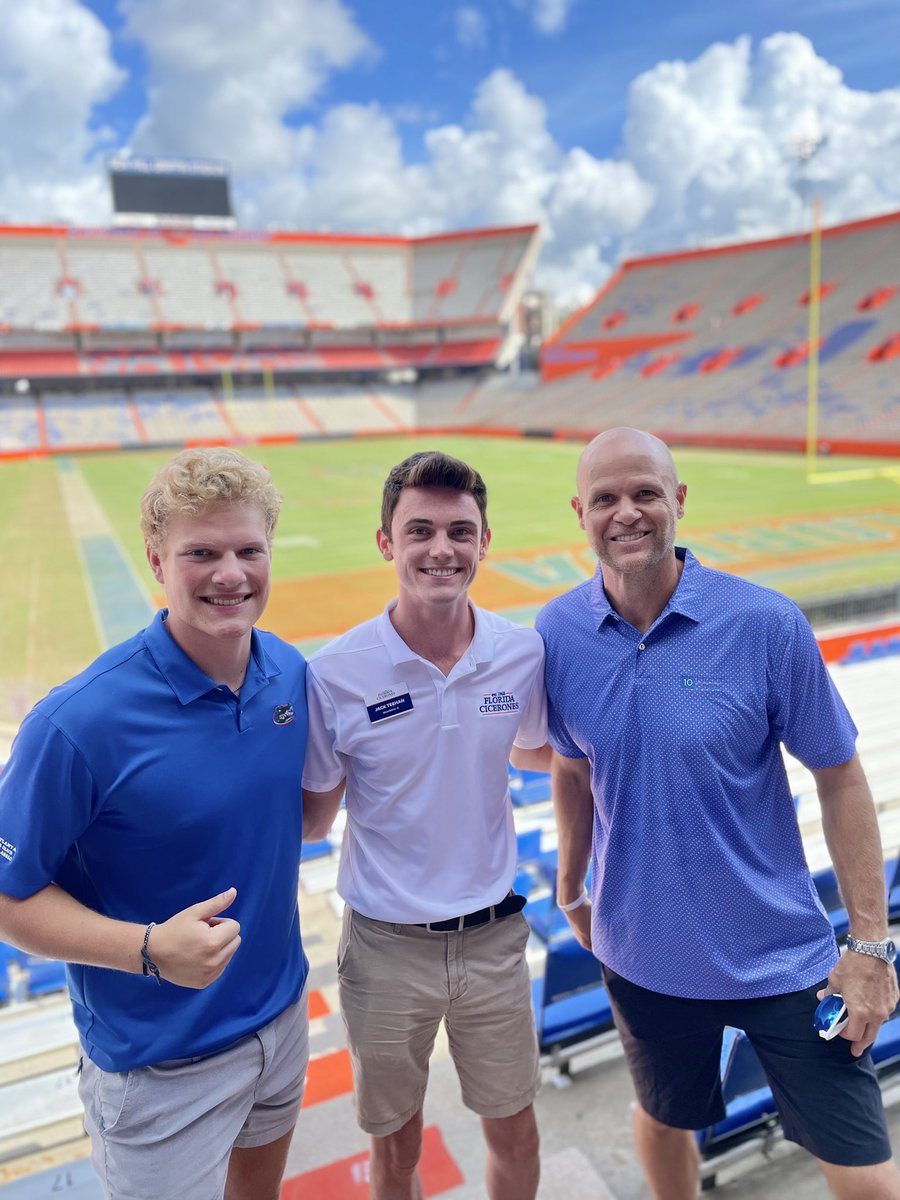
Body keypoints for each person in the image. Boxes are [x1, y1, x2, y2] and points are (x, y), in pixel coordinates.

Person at [536, 427, 900, 1200]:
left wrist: (869, 943)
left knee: (866, 1173)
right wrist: (572, 886)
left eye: (645, 493)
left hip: (784, 959)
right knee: (664, 1117)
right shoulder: (558, 632)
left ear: (678, 500)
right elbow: (570, 765)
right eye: (606, 498)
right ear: (580, 511)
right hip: (642, 958)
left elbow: (839, 774)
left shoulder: (764, 623)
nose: (626, 512)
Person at [0, 448, 310, 1200]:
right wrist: (146, 949)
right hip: (159, 1067)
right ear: (155, 561)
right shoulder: (77, 722)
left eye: (248, 550)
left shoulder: (291, 674)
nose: (230, 573)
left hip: (283, 1020)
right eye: (200, 552)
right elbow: (8, 895)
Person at [301, 450, 549, 1200]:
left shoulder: (520, 652)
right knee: (395, 1148)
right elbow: (313, 814)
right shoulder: (335, 671)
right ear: (387, 543)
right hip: (385, 948)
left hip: (495, 940)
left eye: (459, 531)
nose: (442, 549)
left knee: (515, 1130)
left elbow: (542, 751)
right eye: (420, 531)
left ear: (484, 540)